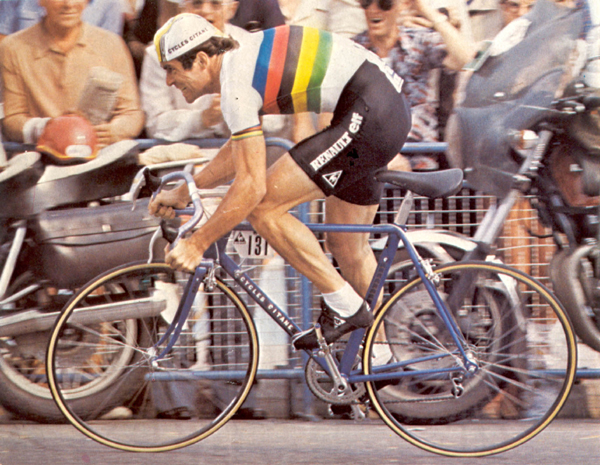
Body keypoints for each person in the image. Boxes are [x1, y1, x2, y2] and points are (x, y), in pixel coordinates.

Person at [148, 13, 411, 350]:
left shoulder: (235, 84)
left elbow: (251, 187)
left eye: (171, 69)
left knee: (265, 209)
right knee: (348, 248)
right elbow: (239, 152)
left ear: (201, 60)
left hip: (370, 111)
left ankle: (346, 307)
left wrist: (197, 244)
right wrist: (188, 191)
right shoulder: (238, 65)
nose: (169, 81)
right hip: (381, 108)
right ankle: (381, 356)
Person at [0, 0, 144, 148]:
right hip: (41, 155)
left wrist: (114, 130)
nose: (68, 4)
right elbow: (12, 120)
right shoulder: (13, 48)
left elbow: (132, 113)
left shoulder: (112, 44)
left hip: (99, 155)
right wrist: (52, 129)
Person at [353, 0, 476, 145]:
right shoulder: (353, 50)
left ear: (402, 5)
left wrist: (429, 13)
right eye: (366, 2)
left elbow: (468, 60)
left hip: (419, 154)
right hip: (372, 154)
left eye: (384, 3)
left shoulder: (418, 40)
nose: (373, 10)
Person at [0, 0, 126, 43]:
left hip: (78, 89)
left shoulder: (111, 4)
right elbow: (3, 40)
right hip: (22, 82)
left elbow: (107, 55)